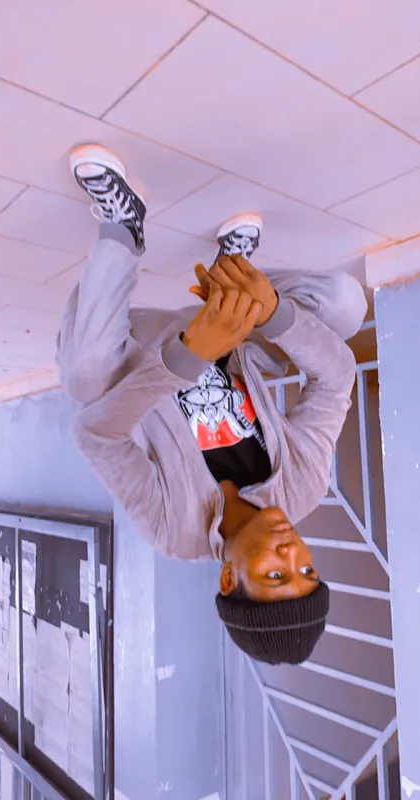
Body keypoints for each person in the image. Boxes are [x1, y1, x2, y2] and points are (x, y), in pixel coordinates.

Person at [57, 143, 367, 665]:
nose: (292, 553)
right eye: (307, 570)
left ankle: (123, 227)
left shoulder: (171, 528)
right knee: (345, 305)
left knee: (83, 375)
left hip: (147, 348)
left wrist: (191, 354)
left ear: (229, 578)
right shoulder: (305, 486)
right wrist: (270, 314)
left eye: (276, 575)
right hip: (232, 333)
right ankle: (233, 276)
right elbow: (336, 378)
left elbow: (97, 435)